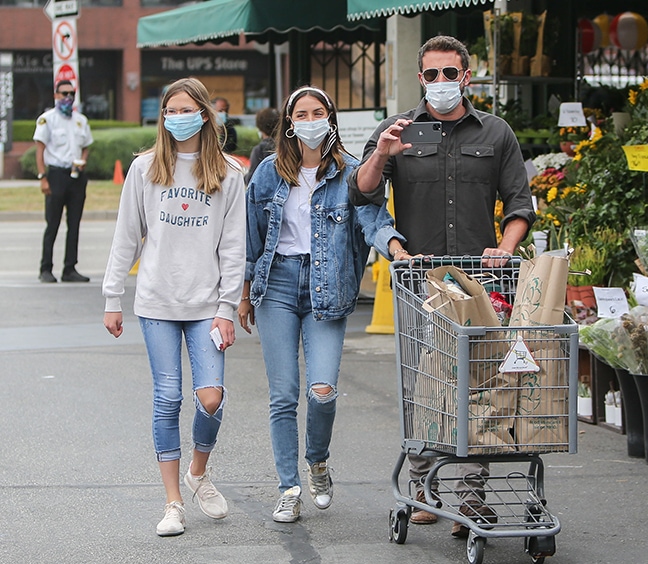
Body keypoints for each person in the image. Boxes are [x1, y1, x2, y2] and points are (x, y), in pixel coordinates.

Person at [348, 35, 536, 538]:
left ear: (465, 77)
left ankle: (472, 496)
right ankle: (425, 488)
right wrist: (382, 152)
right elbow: (362, 193)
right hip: (421, 281)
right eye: (430, 75)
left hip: (480, 282)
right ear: (420, 79)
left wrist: (505, 247)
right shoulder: (398, 131)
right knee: (425, 384)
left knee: (479, 388)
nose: (440, 83)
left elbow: (520, 205)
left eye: (448, 74)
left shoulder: (495, 133)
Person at [238, 86, 400, 524]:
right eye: (301, 114)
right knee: (284, 395)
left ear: (330, 118)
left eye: (318, 112)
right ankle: (288, 486)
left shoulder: (350, 172)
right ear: (289, 123)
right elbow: (250, 237)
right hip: (276, 285)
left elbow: (372, 217)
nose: (309, 120)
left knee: (322, 392)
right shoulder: (269, 172)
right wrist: (243, 292)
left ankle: (318, 461)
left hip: (328, 287)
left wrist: (395, 248)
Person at [102, 77, 246, 537]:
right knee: (167, 398)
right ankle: (173, 504)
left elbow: (234, 248)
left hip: (207, 304)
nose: (177, 116)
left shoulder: (229, 172)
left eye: (186, 108)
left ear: (205, 113)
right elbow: (127, 237)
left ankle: (198, 472)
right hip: (157, 302)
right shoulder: (145, 169)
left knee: (211, 397)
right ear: (163, 117)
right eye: (170, 110)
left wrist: (227, 307)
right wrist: (112, 297)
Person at [34, 79, 94, 283]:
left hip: (76, 176)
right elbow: (40, 150)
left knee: (74, 224)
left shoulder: (80, 120)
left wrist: (83, 161)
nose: (68, 97)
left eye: (71, 94)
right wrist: (43, 177)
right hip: (56, 175)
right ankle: (45, 268)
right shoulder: (47, 119)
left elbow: (86, 145)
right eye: (64, 93)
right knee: (52, 224)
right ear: (56, 95)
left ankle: (70, 268)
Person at [243, 107, 280, 185]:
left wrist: (244, 177)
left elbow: (252, 178)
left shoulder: (259, 150)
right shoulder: (287, 146)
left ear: (260, 127)